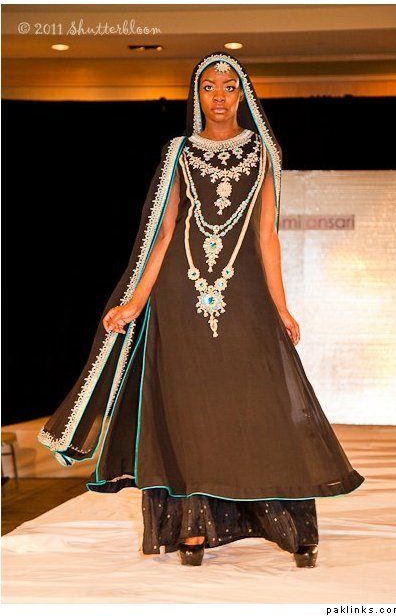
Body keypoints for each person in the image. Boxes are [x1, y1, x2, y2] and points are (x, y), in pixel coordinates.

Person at [37, 51, 365, 568]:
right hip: (179, 294)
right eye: (209, 86)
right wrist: (136, 300)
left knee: (258, 399)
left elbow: (267, 235)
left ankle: (290, 526)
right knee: (188, 406)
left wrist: (281, 307)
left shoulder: (265, 152)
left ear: (243, 94)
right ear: (197, 94)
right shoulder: (179, 151)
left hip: (245, 291)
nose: (219, 96)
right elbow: (164, 232)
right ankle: (192, 528)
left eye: (228, 87)